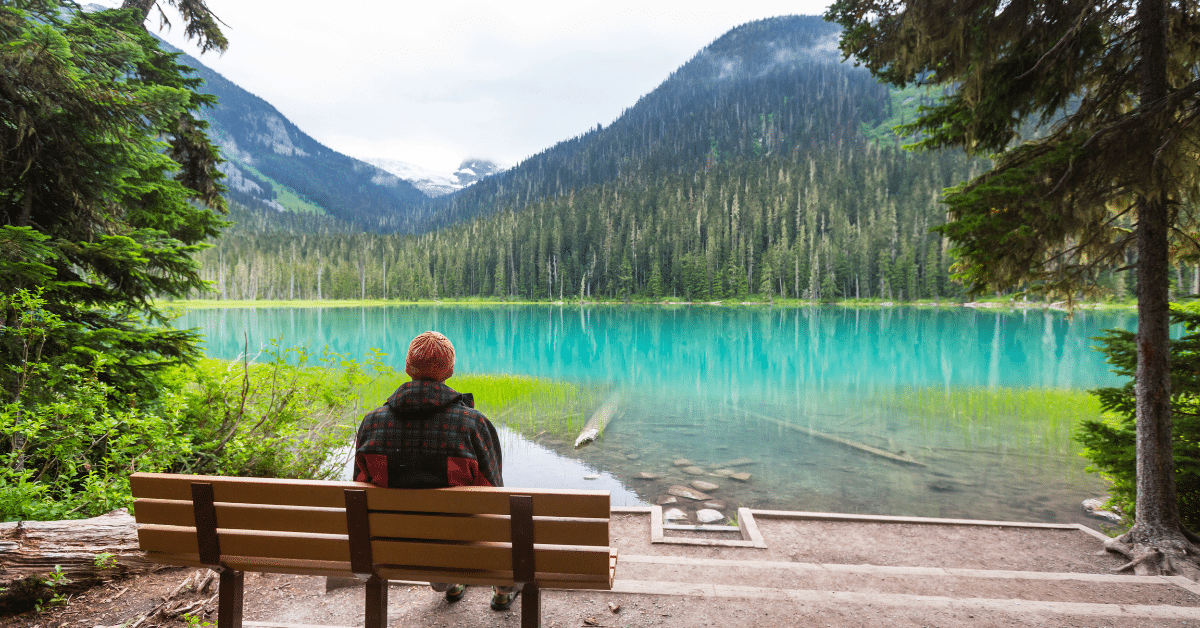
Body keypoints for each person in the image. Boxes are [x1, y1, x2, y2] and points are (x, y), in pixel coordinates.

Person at [352, 331, 517, 610]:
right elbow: (493, 495)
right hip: (459, 546)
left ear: (407, 368)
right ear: (450, 371)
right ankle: (502, 589)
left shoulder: (372, 423)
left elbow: (359, 487)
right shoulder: (472, 424)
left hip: (392, 548)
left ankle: (449, 582)